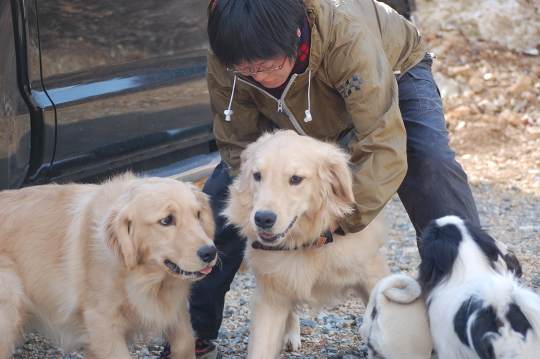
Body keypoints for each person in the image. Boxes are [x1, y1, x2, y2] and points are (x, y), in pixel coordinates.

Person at [160, 0, 481, 358]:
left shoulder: (346, 38)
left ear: (296, 34)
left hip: (391, 72)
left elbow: (382, 143)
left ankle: (472, 302)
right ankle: (193, 334)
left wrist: (338, 223)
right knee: (221, 194)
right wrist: (254, 206)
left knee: (429, 162)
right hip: (292, 105)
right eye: (245, 70)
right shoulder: (231, 53)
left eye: (266, 66)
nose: (257, 77)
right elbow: (237, 143)